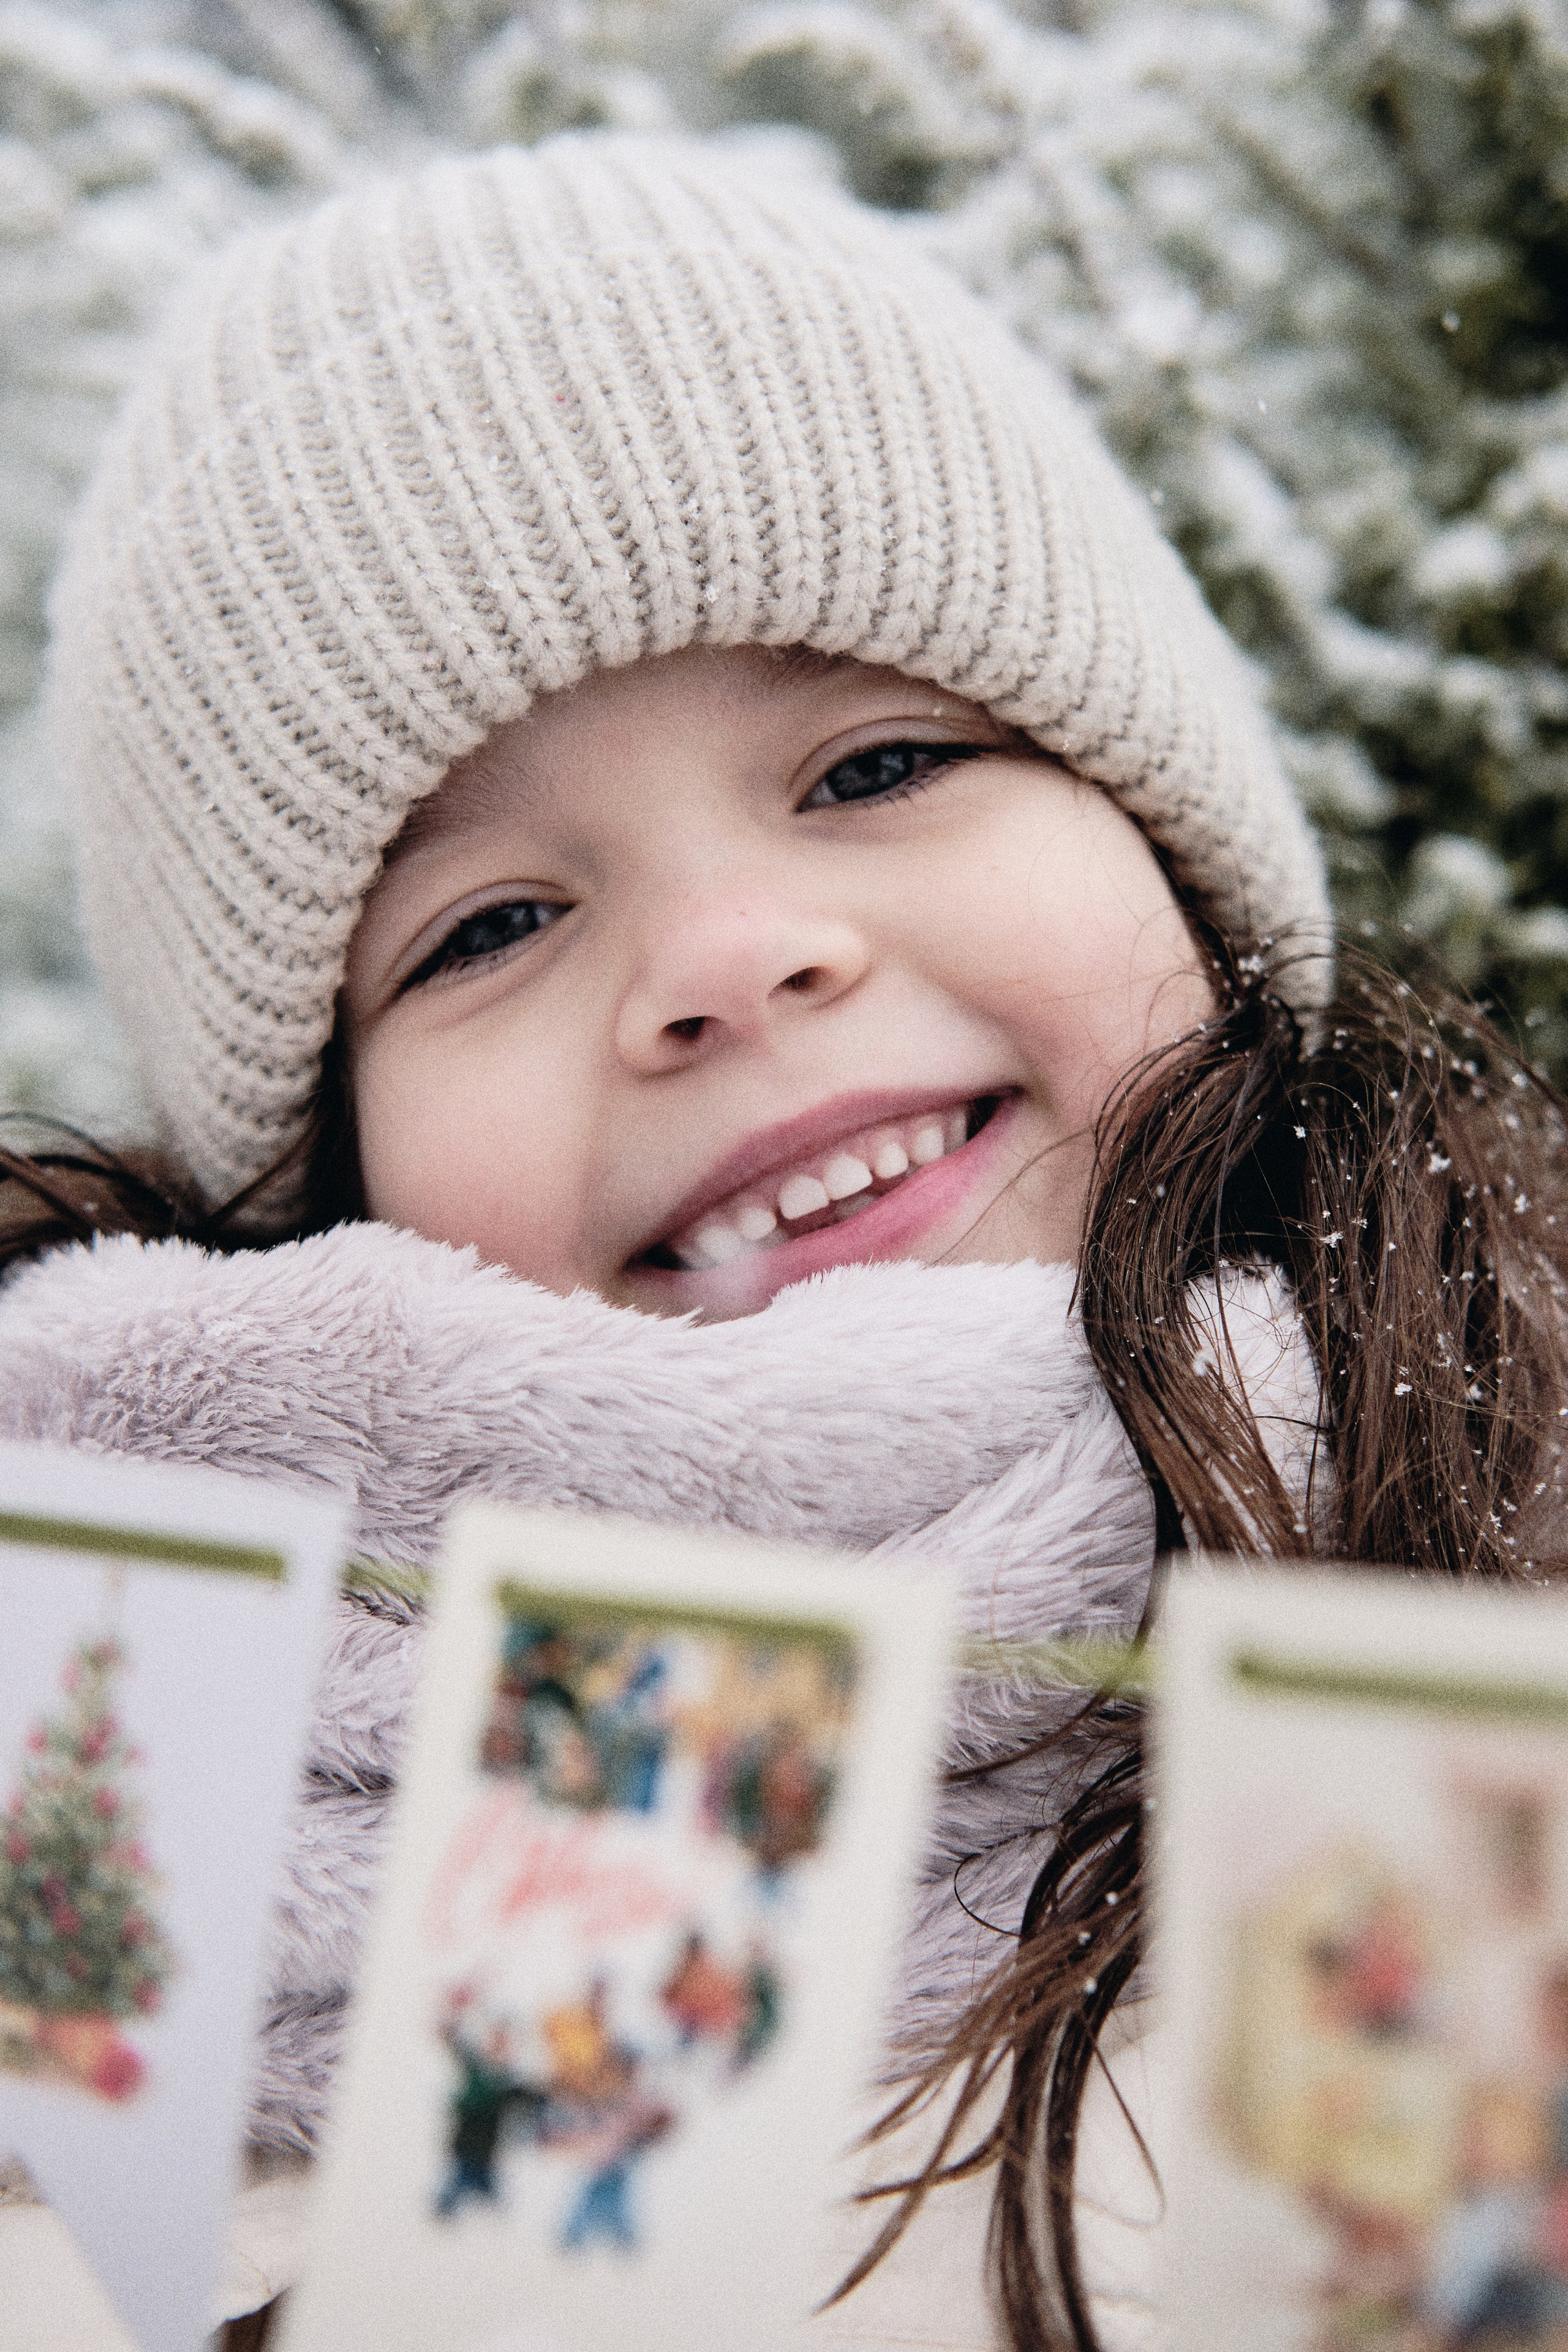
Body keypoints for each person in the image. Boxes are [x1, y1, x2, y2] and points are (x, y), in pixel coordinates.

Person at [1, 131, 1565, 2352]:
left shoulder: (1512, 1560)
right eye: (495, 925)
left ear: (1170, 846)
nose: (730, 962)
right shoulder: (112, 1818)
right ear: (327, 1167)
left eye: (875, 765)